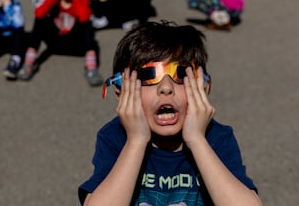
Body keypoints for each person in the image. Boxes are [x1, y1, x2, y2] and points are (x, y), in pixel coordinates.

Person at [78, 20, 263, 206]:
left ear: (203, 88)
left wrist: (197, 140)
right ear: (121, 93)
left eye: (182, 75)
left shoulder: (215, 137)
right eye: (148, 76)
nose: (166, 87)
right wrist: (136, 140)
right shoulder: (116, 137)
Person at [18, 0, 103, 87]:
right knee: (40, 19)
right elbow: (39, 13)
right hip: (56, 43)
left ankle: (91, 68)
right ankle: (29, 62)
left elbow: (84, 17)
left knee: (87, 26)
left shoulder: (82, 0)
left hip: (76, 45)